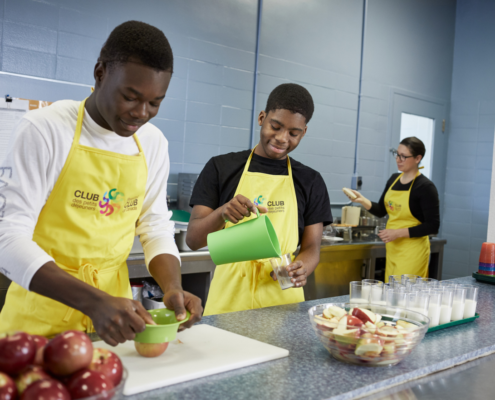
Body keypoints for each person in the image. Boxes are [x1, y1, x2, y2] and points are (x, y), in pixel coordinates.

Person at [0, 21, 202, 345]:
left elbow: (154, 226)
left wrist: (173, 287)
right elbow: (7, 238)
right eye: (130, 97)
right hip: (38, 323)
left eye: (155, 103)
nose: (141, 113)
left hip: (116, 324)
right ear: (100, 73)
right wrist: (94, 302)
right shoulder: (46, 129)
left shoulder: (152, 143)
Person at [186, 83, 333, 315]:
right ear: (262, 118)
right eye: (275, 126)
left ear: (303, 132)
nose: (282, 138)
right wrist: (222, 213)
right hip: (229, 300)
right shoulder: (221, 168)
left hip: (282, 300)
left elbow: (312, 246)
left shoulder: (310, 180)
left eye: (294, 133)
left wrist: (301, 267)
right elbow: (193, 240)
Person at [345, 137, 440, 282]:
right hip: (393, 250)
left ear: (417, 158)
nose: (398, 159)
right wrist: (362, 200)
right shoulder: (393, 179)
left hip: (412, 252)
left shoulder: (425, 187)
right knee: (391, 293)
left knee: (406, 296)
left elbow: (433, 226)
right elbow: (382, 210)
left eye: (404, 156)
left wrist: (397, 233)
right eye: (397, 154)